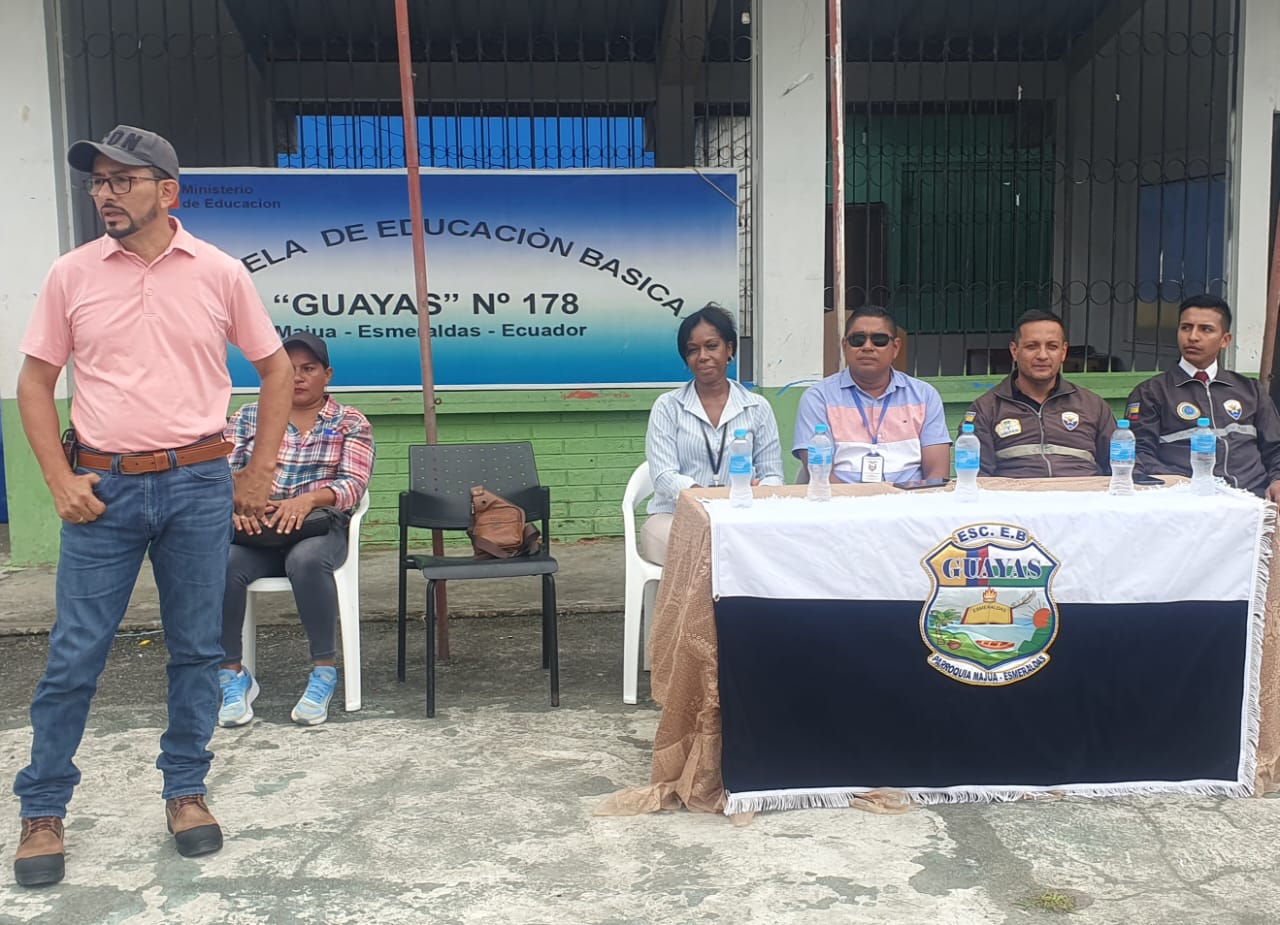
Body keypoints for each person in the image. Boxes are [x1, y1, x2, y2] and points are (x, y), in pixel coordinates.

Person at [12, 125, 292, 887]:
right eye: (97, 181)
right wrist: (58, 480)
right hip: (102, 489)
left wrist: (259, 470)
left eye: (122, 180)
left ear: (167, 191)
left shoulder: (220, 273)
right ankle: (43, 808)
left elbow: (275, 369)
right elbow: (35, 382)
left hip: (198, 484)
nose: (105, 193)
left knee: (197, 647)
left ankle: (186, 789)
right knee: (75, 652)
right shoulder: (70, 275)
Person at [218, 332, 375, 727]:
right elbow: (221, 474)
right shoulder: (248, 417)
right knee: (223, 562)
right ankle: (232, 674)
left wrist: (307, 501)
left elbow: (353, 484)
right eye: (289, 370)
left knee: (306, 561)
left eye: (309, 368)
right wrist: (236, 505)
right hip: (256, 531)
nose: (299, 377)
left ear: (327, 374)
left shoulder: (350, 421)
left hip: (317, 531)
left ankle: (323, 672)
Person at [643, 303, 784, 563]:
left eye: (711, 346)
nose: (703, 356)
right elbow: (663, 476)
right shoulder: (668, 406)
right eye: (692, 350)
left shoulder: (757, 407)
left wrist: (762, 490)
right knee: (711, 544)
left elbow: (773, 474)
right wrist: (705, 497)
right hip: (675, 516)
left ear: (729, 349)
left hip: (741, 514)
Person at [1127, 294, 1280, 499]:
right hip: (1186, 500)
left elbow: (1275, 447)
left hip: (1254, 499)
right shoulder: (1152, 392)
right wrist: (1182, 487)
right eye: (1186, 327)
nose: (1193, 337)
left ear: (1225, 340)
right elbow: (1139, 453)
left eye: (1205, 329)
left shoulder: (1251, 390)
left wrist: (1277, 479)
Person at [793, 305, 950, 483]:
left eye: (879, 340)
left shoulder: (924, 396)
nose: (867, 347)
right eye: (858, 340)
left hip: (910, 497)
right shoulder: (818, 398)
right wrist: (857, 500)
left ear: (895, 347)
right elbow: (820, 474)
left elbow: (937, 472)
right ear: (845, 346)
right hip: (841, 499)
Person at [960, 309, 1116, 477]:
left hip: (1083, 492)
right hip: (1013, 493)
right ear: (1014, 351)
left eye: (1052, 347)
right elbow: (975, 477)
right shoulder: (986, 409)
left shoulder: (1093, 406)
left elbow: (1120, 468)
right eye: (1032, 346)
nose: (1042, 355)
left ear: (1063, 352)